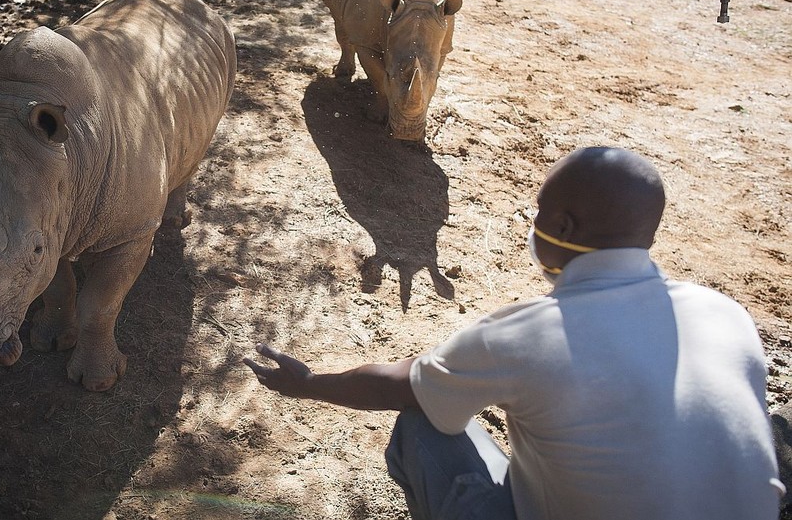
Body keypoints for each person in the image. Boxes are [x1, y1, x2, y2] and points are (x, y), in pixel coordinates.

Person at [244, 146, 784, 520]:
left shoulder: (534, 333)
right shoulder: (726, 314)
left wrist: (310, 382)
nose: (533, 224)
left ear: (565, 228)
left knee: (423, 422)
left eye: (539, 212)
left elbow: (395, 387)